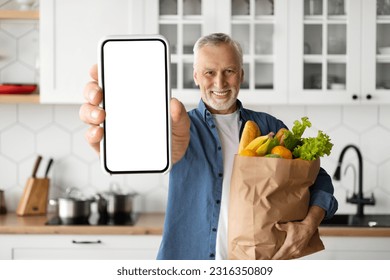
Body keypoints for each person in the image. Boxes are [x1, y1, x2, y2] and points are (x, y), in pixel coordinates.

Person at [79, 33, 338, 260]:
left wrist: (308, 226)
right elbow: (148, 153)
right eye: (209, 72)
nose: (219, 83)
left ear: (241, 74)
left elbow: (319, 179)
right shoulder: (176, 127)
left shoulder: (271, 128)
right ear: (196, 76)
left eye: (229, 71)